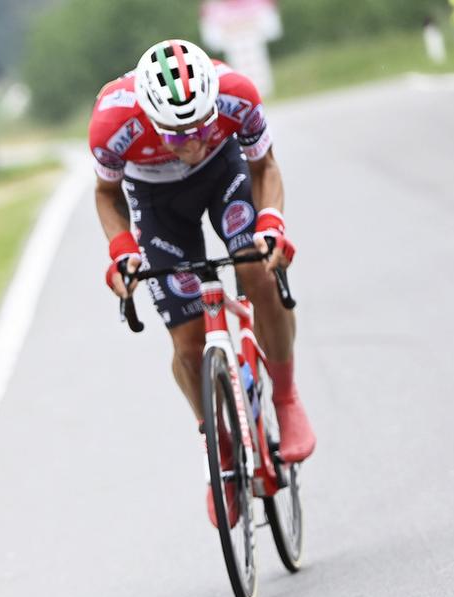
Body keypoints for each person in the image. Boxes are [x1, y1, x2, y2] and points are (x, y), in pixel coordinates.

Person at [88, 38, 315, 525]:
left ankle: (286, 396)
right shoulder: (112, 122)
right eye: (175, 133)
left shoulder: (238, 94)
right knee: (189, 344)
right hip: (155, 202)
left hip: (223, 175)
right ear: (149, 117)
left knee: (257, 265)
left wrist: (272, 222)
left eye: (200, 126)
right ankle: (223, 448)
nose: (190, 143)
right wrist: (121, 252)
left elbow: (265, 166)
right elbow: (107, 194)